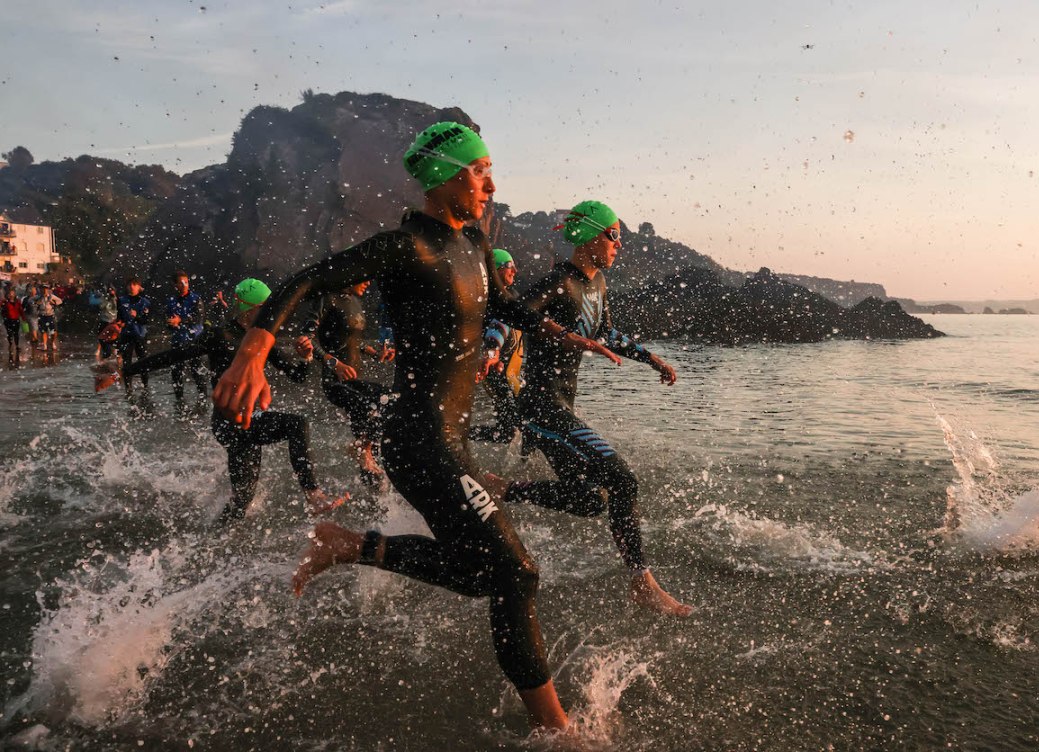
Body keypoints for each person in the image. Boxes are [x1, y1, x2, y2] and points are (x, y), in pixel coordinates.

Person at [211, 122, 621, 731]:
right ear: (447, 175)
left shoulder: (475, 244)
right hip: (419, 441)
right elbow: (306, 281)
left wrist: (566, 333)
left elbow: (502, 308)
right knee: (517, 574)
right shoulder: (407, 247)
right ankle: (556, 731)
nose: (490, 183)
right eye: (480, 170)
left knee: (486, 573)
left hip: (449, 439)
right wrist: (252, 353)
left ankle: (351, 545)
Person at [510, 199, 692, 618]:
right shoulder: (558, 281)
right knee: (623, 480)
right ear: (591, 236)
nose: (619, 245)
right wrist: (566, 336)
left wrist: (652, 360)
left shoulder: (597, 285)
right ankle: (643, 584)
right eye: (613, 236)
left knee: (591, 500)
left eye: (619, 238)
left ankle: (504, 489)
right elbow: (517, 312)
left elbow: (606, 332)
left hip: (560, 406)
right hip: (540, 405)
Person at [103, 279, 346, 523]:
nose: (273, 315)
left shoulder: (262, 339)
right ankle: (314, 495)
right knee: (297, 424)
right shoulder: (220, 335)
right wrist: (125, 371)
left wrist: (306, 358)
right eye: (267, 308)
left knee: (242, 502)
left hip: (249, 418)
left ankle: (212, 538)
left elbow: (297, 376)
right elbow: (173, 356)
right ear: (249, 308)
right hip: (227, 422)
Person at [300, 280, 394, 481]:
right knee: (370, 408)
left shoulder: (354, 301)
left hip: (355, 380)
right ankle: (361, 449)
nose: (368, 282)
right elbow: (307, 339)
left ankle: (378, 498)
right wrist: (336, 365)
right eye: (364, 277)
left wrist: (374, 352)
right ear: (351, 275)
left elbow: (349, 340)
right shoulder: (327, 298)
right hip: (336, 382)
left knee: (390, 400)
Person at [470, 249, 525, 444]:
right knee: (511, 430)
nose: (514, 270)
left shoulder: (510, 295)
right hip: (496, 371)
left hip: (512, 372)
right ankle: (454, 436)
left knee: (520, 427)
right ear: (495, 270)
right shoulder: (492, 301)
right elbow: (498, 326)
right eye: (509, 265)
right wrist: (493, 352)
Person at [165, 270, 209, 410]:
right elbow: (168, 324)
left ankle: (203, 402)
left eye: (186, 282)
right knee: (176, 372)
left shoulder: (196, 298)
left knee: (197, 372)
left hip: (195, 340)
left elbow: (199, 318)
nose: (185, 285)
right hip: (178, 340)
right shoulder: (171, 301)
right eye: (181, 282)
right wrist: (171, 323)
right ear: (175, 285)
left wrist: (181, 320)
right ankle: (179, 402)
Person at [117, 277, 152, 392]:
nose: (132, 286)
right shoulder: (121, 300)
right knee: (127, 361)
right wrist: (118, 324)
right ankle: (128, 388)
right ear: (127, 286)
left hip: (140, 335)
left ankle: (145, 386)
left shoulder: (145, 302)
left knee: (143, 360)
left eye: (134, 284)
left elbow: (146, 320)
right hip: (126, 334)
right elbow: (119, 318)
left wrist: (136, 316)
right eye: (130, 284)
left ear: (139, 287)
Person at [94, 286, 121, 363]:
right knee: (102, 336)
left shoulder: (117, 299)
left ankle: (115, 352)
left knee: (115, 336)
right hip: (104, 319)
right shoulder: (104, 298)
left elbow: (119, 308)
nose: (111, 292)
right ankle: (99, 350)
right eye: (109, 290)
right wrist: (107, 300)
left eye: (112, 290)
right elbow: (101, 307)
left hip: (114, 320)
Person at [35, 284, 63, 351]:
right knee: (43, 331)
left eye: (46, 289)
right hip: (42, 315)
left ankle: (52, 342)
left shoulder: (51, 296)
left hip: (50, 315)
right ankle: (45, 344)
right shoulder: (38, 297)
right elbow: (31, 301)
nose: (44, 291)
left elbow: (60, 301)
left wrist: (53, 302)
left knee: (54, 331)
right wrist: (36, 303)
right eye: (43, 289)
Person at [2, 286, 23, 365]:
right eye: (10, 294)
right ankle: (11, 343)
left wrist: (23, 318)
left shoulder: (17, 301)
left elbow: (20, 310)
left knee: (16, 333)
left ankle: (17, 345)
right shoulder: (5, 302)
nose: (11, 295)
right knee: (9, 333)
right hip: (8, 320)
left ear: (14, 294)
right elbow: (2, 310)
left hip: (16, 319)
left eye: (12, 293)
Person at [21, 284, 40, 349]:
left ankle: (34, 339)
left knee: (34, 328)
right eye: (32, 290)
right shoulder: (26, 299)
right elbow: (22, 307)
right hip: (28, 314)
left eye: (34, 290)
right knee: (32, 327)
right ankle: (35, 339)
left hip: (36, 315)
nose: (33, 291)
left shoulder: (38, 298)